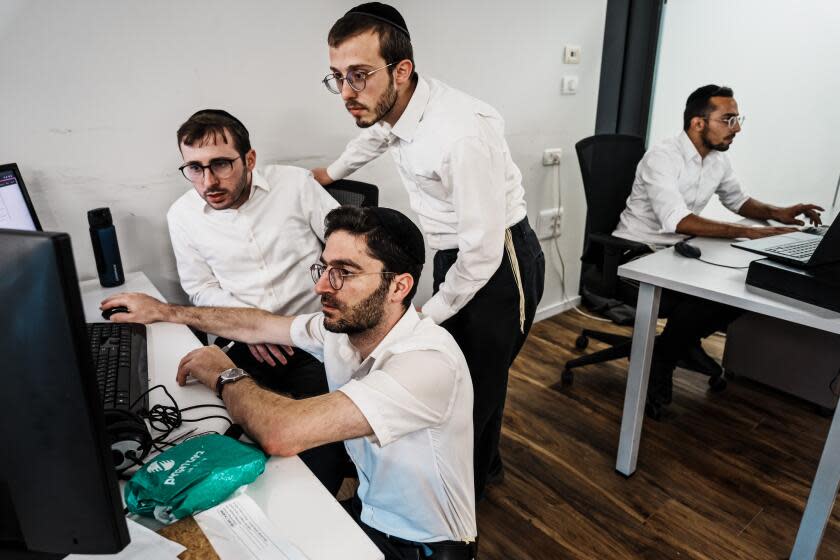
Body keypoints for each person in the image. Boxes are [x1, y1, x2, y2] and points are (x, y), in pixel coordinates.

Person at [103, 206, 478, 560]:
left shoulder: (428, 362)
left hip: (421, 545)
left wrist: (224, 372)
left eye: (344, 272)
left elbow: (283, 431)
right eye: (324, 268)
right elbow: (258, 324)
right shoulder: (344, 330)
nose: (322, 287)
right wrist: (166, 311)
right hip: (371, 509)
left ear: (398, 287)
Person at [311, 2, 545, 498]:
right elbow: (374, 139)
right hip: (452, 254)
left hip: (499, 260)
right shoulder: (394, 105)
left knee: (476, 388)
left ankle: (465, 503)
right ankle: (486, 465)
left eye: (359, 75)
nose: (347, 94)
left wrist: (428, 312)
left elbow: (482, 252)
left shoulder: (458, 135)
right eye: (337, 77)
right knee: (459, 379)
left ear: (402, 70)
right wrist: (329, 174)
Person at [613, 84, 823, 419]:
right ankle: (665, 359)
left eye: (737, 119)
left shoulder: (717, 160)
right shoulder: (662, 158)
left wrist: (780, 212)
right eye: (728, 119)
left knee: (740, 288)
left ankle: (670, 347)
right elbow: (678, 220)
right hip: (637, 253)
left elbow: (738, 200)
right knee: (701, 299)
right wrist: (749, 232)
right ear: (698, 124)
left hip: (679, 252)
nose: (737, 128)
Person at [168, 109, 347, 491]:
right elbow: (199, 288)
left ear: (249, 159)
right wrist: (253, 327)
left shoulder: (296, 185)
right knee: (211, 426)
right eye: (195, 168)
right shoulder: (182, 216)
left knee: (316, 438)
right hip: (246, 342)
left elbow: (347, 251)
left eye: (220, 164)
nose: (208, 181)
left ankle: (328, 518)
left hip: (314, 333)